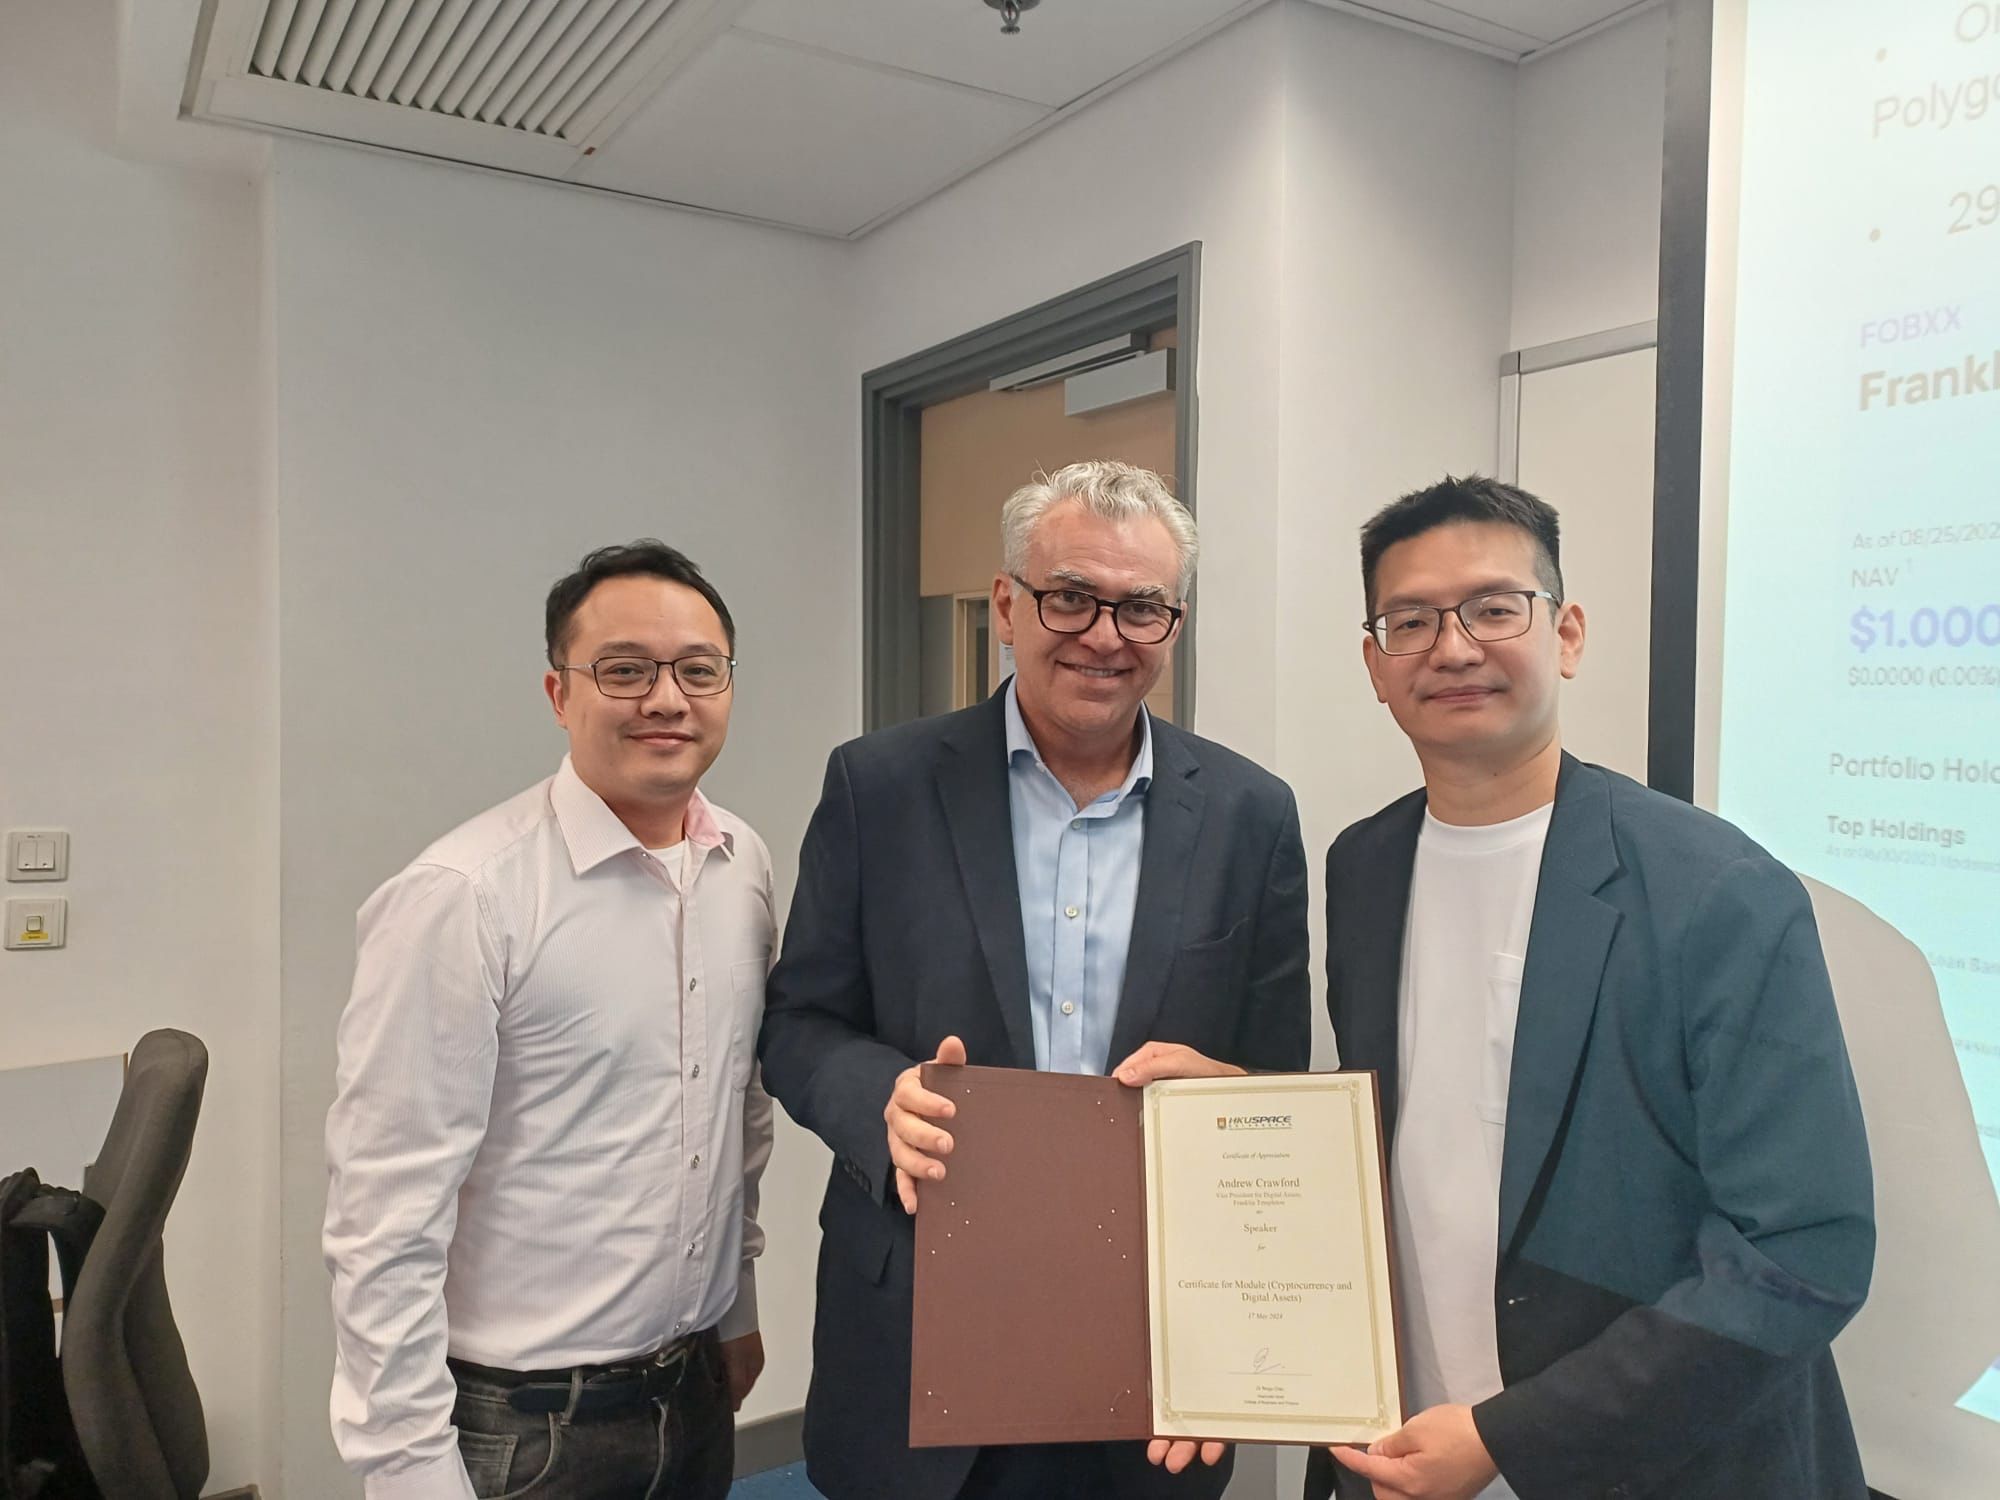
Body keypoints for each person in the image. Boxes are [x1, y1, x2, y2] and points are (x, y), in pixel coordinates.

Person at [1308, 477, 1874, 1500]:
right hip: (1401, 1451)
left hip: (1653, 1469)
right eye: (1410, 621)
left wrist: (1510, 1439)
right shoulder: (1361, 867)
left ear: (1564, 634)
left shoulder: (1718, 891)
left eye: (1493, 608)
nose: (1452, 648)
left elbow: (1801, 1249)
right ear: (1374, 664)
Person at [760, 460, 1311, 1500]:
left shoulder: (1251, 815)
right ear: (1007, 606)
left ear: (1172, 625)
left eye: (1141, 607)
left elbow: (1273, 1076)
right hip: (919, 1326)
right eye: (1069, 597)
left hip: (1150, 1346)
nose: (1104, 635)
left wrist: (1232, 1094)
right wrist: (878, 1099)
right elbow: (798, 1023)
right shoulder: (878, 786)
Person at [324, 541, 774, 1500]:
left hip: (694, 1391)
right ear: (558, 693)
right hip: (524, 1430)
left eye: (698, 670)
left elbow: (737, 1115)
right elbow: (384, 1212)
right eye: (625, 670)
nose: (667, 698)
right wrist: (406, 1466)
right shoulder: (464, 896)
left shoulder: (742, 865)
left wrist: (735, 1307)